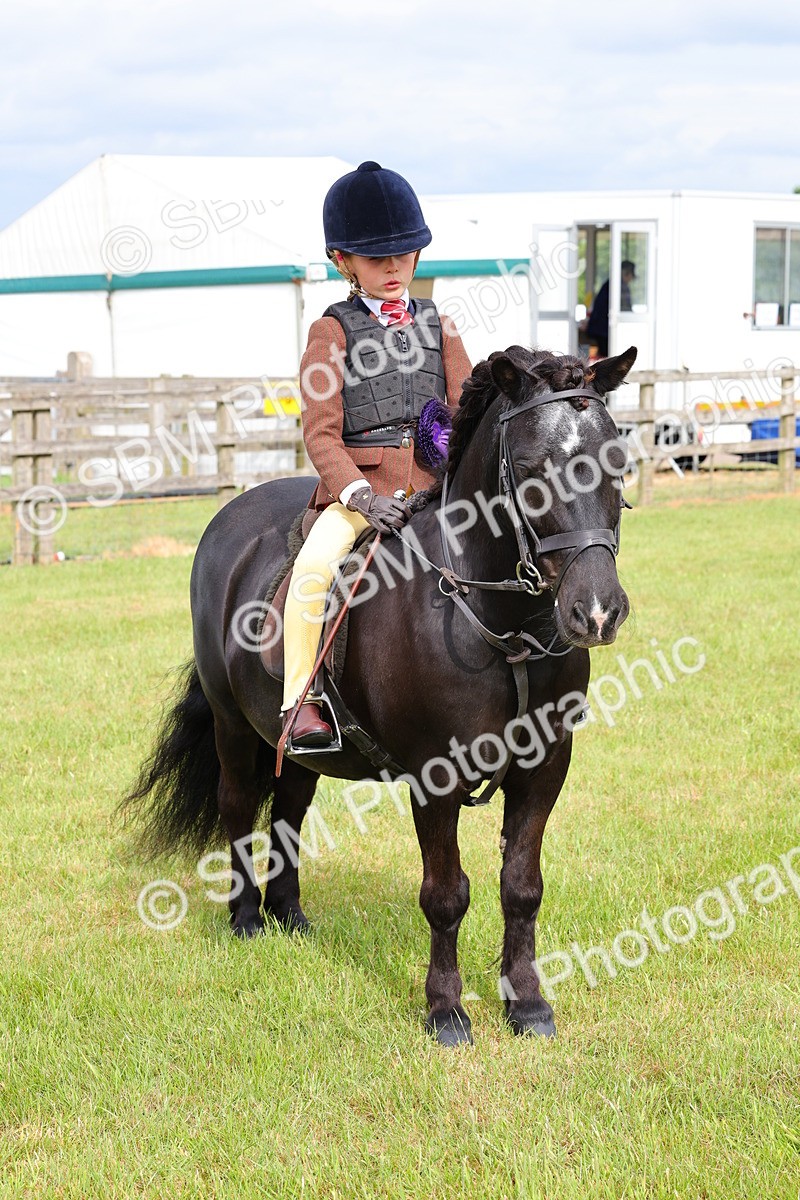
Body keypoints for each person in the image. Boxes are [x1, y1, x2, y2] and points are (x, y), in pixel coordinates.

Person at [282, 161, 473, 747]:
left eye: (403, 254)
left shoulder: (441, 327)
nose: (392, 268)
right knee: (313, 571)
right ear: (344, 261)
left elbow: (468, 410)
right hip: (361, 494)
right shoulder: (331, 333)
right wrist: (361, 497)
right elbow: (320, 435)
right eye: (375, 258)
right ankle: (300, 702)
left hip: (434, 487)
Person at [580, 259, 636, 358]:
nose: (631, 279)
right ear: (627, 274)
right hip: (604, 330)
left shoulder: (610, 284)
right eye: (631, 276)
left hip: (599, 328)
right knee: (609, 359)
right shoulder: (619, 286)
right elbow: (626, 309)